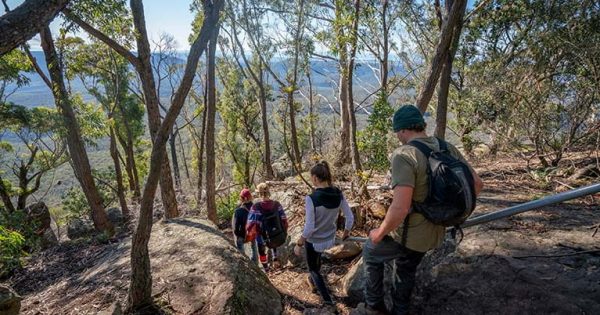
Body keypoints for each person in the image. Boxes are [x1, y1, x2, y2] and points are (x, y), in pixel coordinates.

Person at [363, 105, 484, 315]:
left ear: (401, 130)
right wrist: (445, 212)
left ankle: (374, 307)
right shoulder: (446, 147)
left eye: (396, 132)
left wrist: (379, 234)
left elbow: (400, 208)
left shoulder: (404, 154)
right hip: (437, 230)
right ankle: (400, 309)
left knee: (371, 251)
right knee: (405, 266)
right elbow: (477, 184)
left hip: (413, 234)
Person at [295, 160, 354, 311]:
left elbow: (309, 228)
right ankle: (316, 282)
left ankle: (328, 301)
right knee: (317, 261)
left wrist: (299, 243)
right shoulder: (338, 193)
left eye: (311, 177)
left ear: (315, 178)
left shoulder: (311, 198)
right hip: (330, 240)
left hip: (314, 241)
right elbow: (350, 216)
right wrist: (346, 233)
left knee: (313, 270)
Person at [246, 182, 288, 271]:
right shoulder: (277, 204)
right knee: (273, 243)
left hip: (261, 236)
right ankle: (275, 259)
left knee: (261, 252)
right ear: (268, 192)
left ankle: (266, 269)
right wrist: (283, 231)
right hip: (277, 234)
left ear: (258, 193)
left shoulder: (255, 207)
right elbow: (284, 220)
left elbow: (250, 225)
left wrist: (250, 234)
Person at [232, 188, 258, 263]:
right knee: (254, 246)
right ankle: (255, 263)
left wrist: (239, 235)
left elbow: (236, 229)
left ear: (242, 198)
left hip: (243, 236)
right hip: (253, 233)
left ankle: (245, 263)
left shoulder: (238, 211)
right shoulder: (255, 207)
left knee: (239, 243)